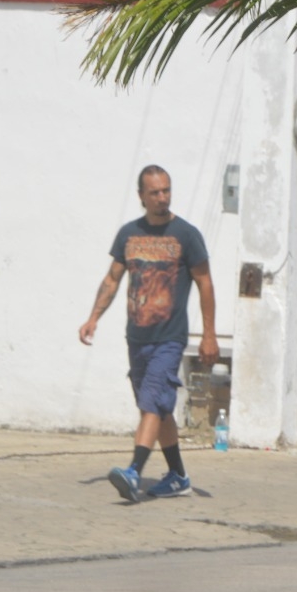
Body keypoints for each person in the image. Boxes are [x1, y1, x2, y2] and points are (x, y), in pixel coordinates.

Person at [79, 165, 219, 503]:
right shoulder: (129, 235)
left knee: (153, 400)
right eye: (155, 192)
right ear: (141, 196)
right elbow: (112, 279)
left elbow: (204, 283)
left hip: (169, 338)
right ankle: (177, 477)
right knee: (156, 409)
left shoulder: (186, 235)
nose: (162, 198)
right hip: (137, 338)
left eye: (166, 190)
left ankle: (133, 471)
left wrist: (209, 334)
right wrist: (93, 317)